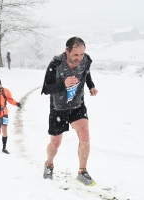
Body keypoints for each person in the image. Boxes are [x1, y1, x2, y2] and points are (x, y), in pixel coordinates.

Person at [41, 36, 98, 186]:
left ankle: (82, 171)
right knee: (55, 143)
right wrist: (63, 84)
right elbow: (46, 89)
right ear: (67, 51)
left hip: (77, 105)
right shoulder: (56, 64)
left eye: (82, 54)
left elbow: (86, 72)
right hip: (58, 108)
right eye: (75, 55)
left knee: (85, 136)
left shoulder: (85, 60)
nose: (79, 58)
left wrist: (91, 86)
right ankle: (49, 164)